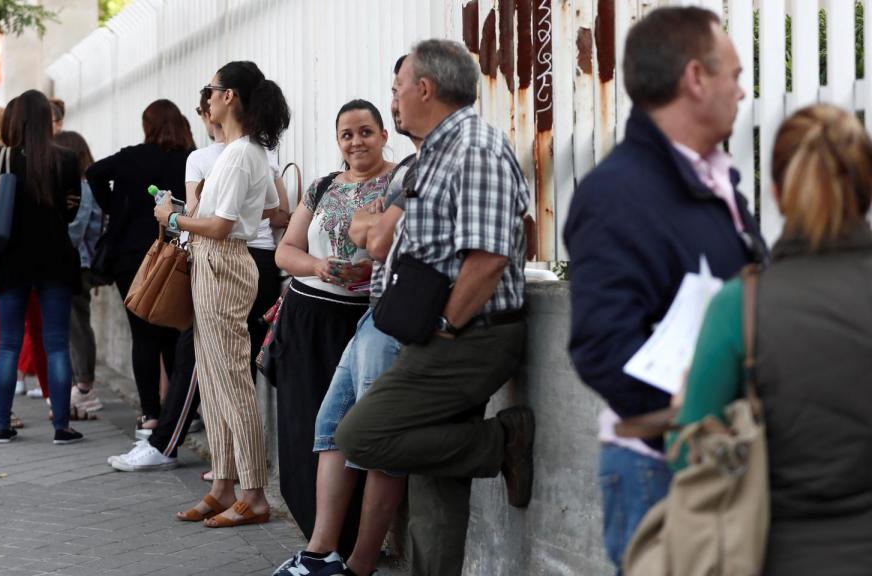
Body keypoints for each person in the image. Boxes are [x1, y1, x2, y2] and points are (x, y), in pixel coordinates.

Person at [561, 7, 766, 573]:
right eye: (735, 75)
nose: (743, 92)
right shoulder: (617, 196)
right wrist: (691, 421)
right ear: (696, 78)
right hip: (663, 470)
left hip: (721, 456)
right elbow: (601, 348)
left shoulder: (711, 178)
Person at [335, 40, 533, 576]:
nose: (393, 100)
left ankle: (500, 440)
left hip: (469, 335)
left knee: (362, 435)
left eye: (399, 88)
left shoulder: (475, 148)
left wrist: (446, 326)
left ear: (425, 89)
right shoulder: (435, 153)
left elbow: (489, 257)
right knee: (434, 483)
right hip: (438, 331)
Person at [673, 104, 872, 575]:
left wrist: (684, 407)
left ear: (779, 195)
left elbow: (688, 458)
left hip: (776, 555)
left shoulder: (739, 309)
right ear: (866, 194)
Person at [273, 56, 420, 576]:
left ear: (384, 134)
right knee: (316, 429)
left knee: (364, 434)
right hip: (310, 314)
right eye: (345, 135)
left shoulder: (401, 183)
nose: (355, 142)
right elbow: (284, 252)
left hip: (368, 319)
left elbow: (394, 245)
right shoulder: (322, 185)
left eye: (365, 132)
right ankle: (320, 546)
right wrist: (319, 265)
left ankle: (357, 550)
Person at [153, 61, 288, 528]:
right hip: (218, 263)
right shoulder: (243, 153)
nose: (206, 97)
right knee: (212, 382)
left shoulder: (240, 153)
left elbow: (220, 226)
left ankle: (253, 493)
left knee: (231, 382)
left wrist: (171, 216)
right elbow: (271, 207)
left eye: (211, 89)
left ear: (229, 96)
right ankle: (223, 486)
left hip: (223, 262)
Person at [0, 89, 84, 444]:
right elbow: (71, 211)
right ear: (45, 119)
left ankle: (2, 424)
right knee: (56, 343)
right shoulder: (67, 160)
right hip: (54, 257)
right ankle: (60, 426)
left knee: (8, 341)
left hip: (10, 258)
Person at [87, 99, 195, 437]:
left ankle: (150, 414)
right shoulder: (188, 160)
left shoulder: (131, 156)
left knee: (143, 333)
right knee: (173, 331)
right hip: (174, 254)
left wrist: (114, 207)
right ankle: (177, 412)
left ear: (147, 126)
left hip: (129, 257)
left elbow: (93, 173)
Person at [55, 129, 104, 418]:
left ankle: (84, 387)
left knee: (77, 325)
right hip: (78, 262)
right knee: (74, 324)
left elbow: (75, 231)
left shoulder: (83, 187)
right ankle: (80, 383)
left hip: (78, 264)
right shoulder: (85, 185)